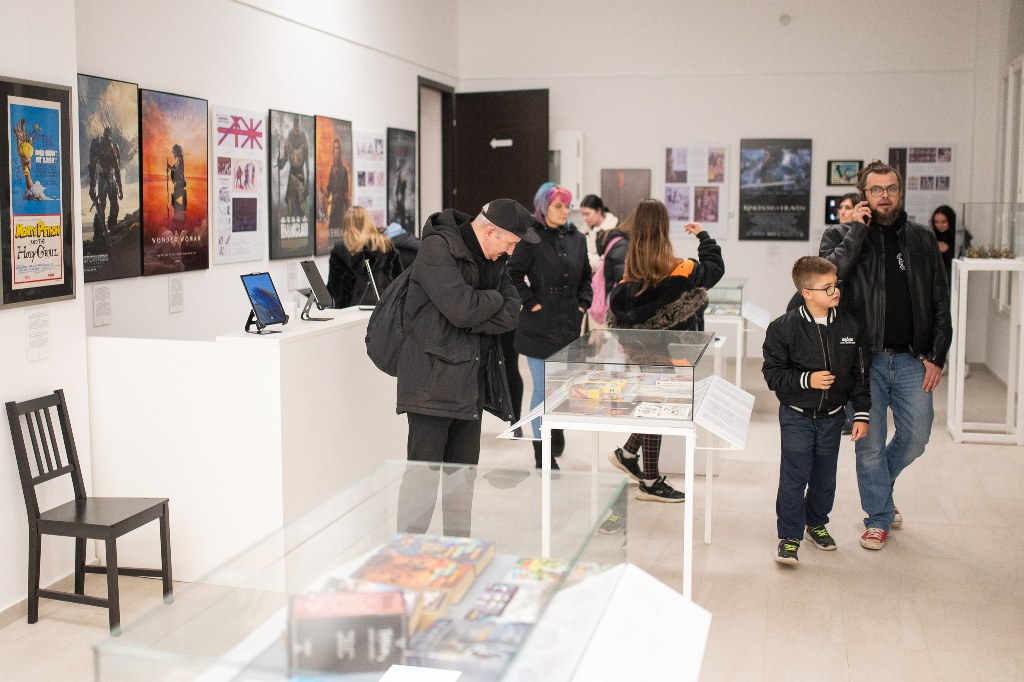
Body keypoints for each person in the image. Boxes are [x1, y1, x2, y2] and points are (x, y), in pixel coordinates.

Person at [820, 159, 952, 551]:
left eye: (891, 188)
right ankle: (878, 518)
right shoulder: (839, 235)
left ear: (900, 191)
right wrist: (858, 231)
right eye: (876, 189)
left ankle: (882, 490)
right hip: (863, 361)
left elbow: (940, 301)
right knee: (869, 446)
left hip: (913, 358)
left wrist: (937, 355)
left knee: (916, 437)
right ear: (864, 195)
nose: (885, 196)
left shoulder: (922, 239)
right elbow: (828, 278)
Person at [396, 197, 535, 465]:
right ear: (490, 232)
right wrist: (494, 298)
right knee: (422, 481)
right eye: (510, 243)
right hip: (432, 386)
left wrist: (475, 310)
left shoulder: (493, 257)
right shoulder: (437, 248)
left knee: (462, 479)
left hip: (471, 384)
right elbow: (462, 310)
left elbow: (512, 311)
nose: (510, 252)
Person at [605, 199, 724, 503]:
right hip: (675, 353)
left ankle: (627, 454)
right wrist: (703, 236)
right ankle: (649, 482)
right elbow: (715, 270)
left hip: (642, 353)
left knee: (653, 406)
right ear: (664, 227)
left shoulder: (629, 273)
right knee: (656, 411)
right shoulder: (681, 268)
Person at [763, 256, 870, 565]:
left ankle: (817, 524)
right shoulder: (782, 328)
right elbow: (773, 375)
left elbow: (860, 375)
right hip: (796, 415)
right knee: (794, 477)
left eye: (836, 285)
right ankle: (789, 537)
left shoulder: (850, 325)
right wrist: (807, 380)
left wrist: (861, 413)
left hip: (833, 417)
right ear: (806, 292)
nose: (835, 292)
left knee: (824, 478)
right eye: (827, 288)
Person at [508, 183, 593, 469]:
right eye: (558, 206)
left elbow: (586, 278)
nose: (564, 211)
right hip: (538, 326)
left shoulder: (578, 239)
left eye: (567, 206)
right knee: (543, 390)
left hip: (569, 323)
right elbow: (512, 274)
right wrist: (531, 302)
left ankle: (555, 432)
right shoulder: (531, 237)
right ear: (544, 207)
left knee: (562, 389)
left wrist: (583, 304)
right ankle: (541, 451)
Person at [326, 206, 402, 308]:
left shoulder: (341, 249)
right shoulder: (385, 244)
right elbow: (400, 279)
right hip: (384, 306)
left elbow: (334, 288)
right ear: (368, 222)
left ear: (347, 224)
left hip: (350, 309)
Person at [87, 126, 123, 250]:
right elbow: (92, 167)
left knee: (115, 205)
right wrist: (92, 187)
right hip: (102, 179)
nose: (108, 137)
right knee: (101, 207)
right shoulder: (98, 146)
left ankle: (112, 229)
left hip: (112, 180)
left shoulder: (114, 147)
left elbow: (117, 170)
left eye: (109, 135)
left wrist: (120, 188)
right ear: (104, 135)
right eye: (106, 135)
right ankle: (98, 234)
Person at [579, 194, 619, 273]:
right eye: (583, 215)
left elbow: (607, 262)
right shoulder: (584, 230)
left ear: (598, 211)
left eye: (587, 214)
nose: (585, 218)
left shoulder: (613, 230)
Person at [930, 204, 956, 282]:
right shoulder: (931, 235)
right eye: (936, 222)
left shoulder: (959, 236)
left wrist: (947, 250)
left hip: (952, 278)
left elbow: (962, 259)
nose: (940, 225)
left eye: (943, 222)